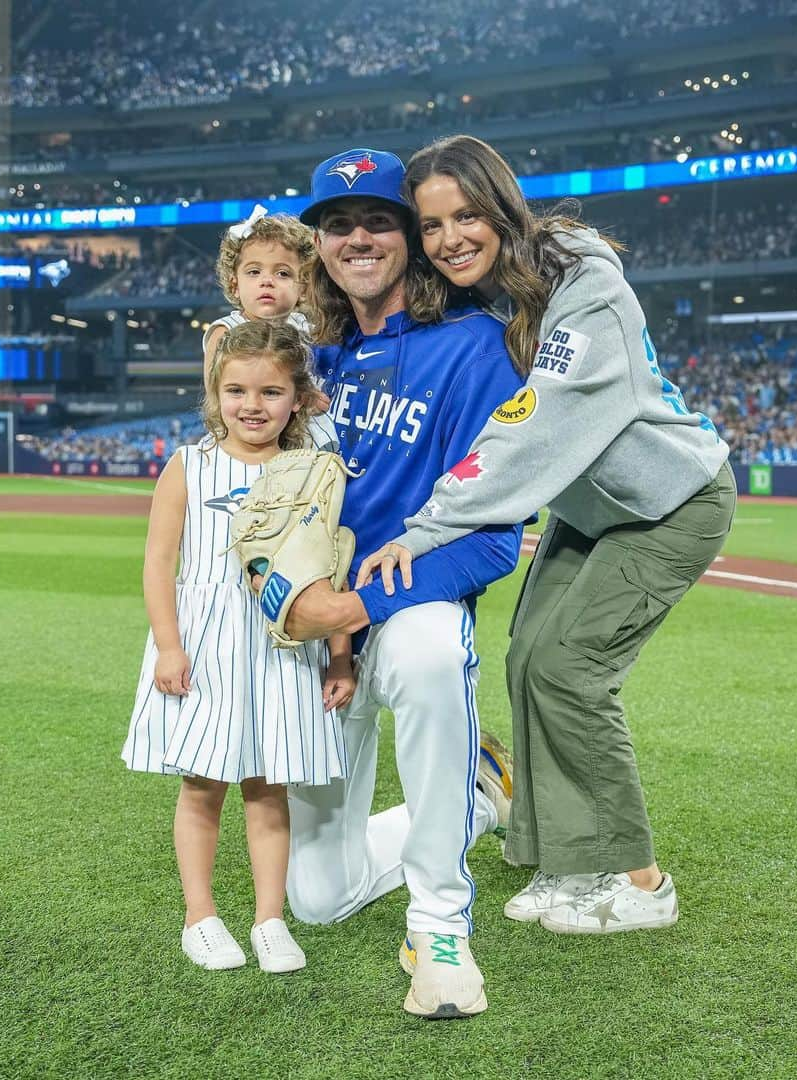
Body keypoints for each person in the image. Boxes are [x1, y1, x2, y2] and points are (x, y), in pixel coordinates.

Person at [356, 135, 737, 937]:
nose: (450, 238)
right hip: (593, 510)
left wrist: (428, 529)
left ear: (501, 206)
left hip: (669, 502)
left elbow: (533, 427)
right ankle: (568, 862)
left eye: (466, 215)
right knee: (530, 657)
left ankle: (639, 879)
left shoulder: (584, 284)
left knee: (570, 668)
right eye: (431, 225)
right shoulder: (481, 294)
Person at [274, 147, 524, 1019]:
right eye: (337, 225)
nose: (358, 238)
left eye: (379, 219)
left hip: (406, 605)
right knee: (317, 895)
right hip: (321, 633)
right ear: (322, 247)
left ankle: (441, 926)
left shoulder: (474, 348)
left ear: (410, 239)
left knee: (424, 652)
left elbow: (497, 539)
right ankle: (478, 790)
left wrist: (362, 603)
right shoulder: (313, 364)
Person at [122, 320, 356, 975]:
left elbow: (331, 571)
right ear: (215, 392)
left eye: (270, 391)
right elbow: (157, 562)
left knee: (268, 786)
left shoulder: (312, 471)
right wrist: (169, 648)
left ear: (297, 396)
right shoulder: (189, 464)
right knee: (202, 787)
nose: (252, 405)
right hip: (206, 647)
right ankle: (200, 916)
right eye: (236, 390)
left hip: (282, 648)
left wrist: (340, 654)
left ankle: (269, 919)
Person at [203, 204, 314, 370]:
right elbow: (215, 394)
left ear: (303, 289)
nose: (267, 281)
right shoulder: (225, 333)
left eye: (282, 273)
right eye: (254, 271)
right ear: (235, 286)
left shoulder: (306, 330)